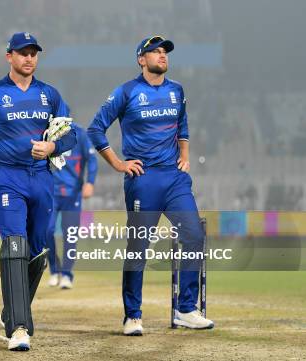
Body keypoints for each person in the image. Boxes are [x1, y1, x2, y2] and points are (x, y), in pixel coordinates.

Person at [87, 36, 214, 335]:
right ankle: (132, 316)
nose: (162, 55)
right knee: (139, 247)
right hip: (143, 180)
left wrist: (184, 154)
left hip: (174, 179)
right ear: (141, 59)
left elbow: (182, 125)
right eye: (155, 52)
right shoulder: (127, 92)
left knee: (194, 235)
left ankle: (185, 309)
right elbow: (95, 128)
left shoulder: (176, 90)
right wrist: (118, 164)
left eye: (164, 52)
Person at [0, 32, 76, 351]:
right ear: (9, 56)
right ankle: (19, 327)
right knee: (15, 245)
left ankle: (11, 308)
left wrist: (53, 145)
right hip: (8, 177)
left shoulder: (50, 95)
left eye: (33, 53)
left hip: (41, 178)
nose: (29, 58)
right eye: (23, 53)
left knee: (38, 250)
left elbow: (71, 136)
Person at [46, 122, 98, 290]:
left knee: (70, 235)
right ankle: (54, 269)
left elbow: (91, 159)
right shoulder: (46, 132)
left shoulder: (80, 134)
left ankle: (67, 274)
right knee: (46, 231)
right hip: (50, 192)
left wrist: (89, 182)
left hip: (72, 193)